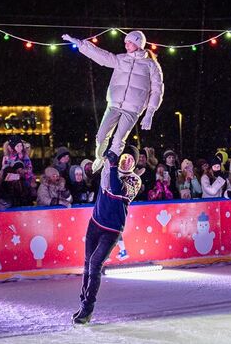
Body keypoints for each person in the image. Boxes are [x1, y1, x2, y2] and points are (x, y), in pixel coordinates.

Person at [62, 31, 164, 173]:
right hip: (114, 105)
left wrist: (150, 113)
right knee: (101, 136)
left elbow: (157, 90)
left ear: (138, 43)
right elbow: (102, 56)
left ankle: (111, 167)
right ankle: (100, 158)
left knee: (118, 140)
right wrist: (81, 44)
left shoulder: (151, 65)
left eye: (129, 42)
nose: (126, 44)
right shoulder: (121, 59)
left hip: (132, 109)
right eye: (125, 42)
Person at [72, 146, 142, 324]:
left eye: (131, 160)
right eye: (124, 157)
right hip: (95, 223)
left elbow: (117, 190)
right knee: (88, 263)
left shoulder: (134, 180)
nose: (126, 161)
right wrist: (105, 159)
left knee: (96, 263)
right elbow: (93, 175)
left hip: (112, 229)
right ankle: (82, 304)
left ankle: (88, 308)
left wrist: (112, 167)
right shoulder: (108, 169)